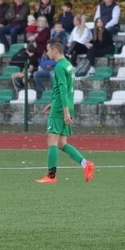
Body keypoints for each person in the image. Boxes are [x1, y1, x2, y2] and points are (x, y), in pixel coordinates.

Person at [35, 41, 94, 184]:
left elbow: (62, 89)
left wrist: (64, 112)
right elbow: (67, 89)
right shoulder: (68, 65)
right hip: (65, 105)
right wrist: (55, 103)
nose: (47, 53)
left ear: (55, 51)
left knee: (52, 140)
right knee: (61, 143)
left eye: (48, 50)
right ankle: (86, 164)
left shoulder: (60, 67)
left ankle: (51, 175)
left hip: (60, 109)